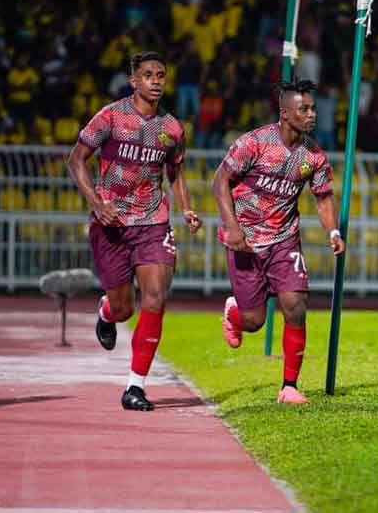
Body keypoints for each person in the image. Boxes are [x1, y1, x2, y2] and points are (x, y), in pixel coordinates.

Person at [67, 51, 201, 412]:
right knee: (125, 308)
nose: (156, 80)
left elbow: (175, 172)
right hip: (110, 222)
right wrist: (96, 202)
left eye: (161, 74)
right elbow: (76, 159)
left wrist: (186, 207)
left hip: (153, 222)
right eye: (148, 75)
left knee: (156, 296)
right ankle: (107, 311)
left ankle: (135, 386)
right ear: (134, 81)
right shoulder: (111, 116)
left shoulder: (172, 128)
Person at [213, 79, 346, 405]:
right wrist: (232, 227)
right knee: (255, 322)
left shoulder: (313, 155)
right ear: (285, 113)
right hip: (245, 241)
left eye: (313, 108)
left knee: (296, 307)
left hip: (285, 241)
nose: (312, 114)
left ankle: (289, 386)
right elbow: (220, 181)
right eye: (305, 109)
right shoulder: (254, 143)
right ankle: (235, 312)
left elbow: (324, 197)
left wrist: (333, 232)